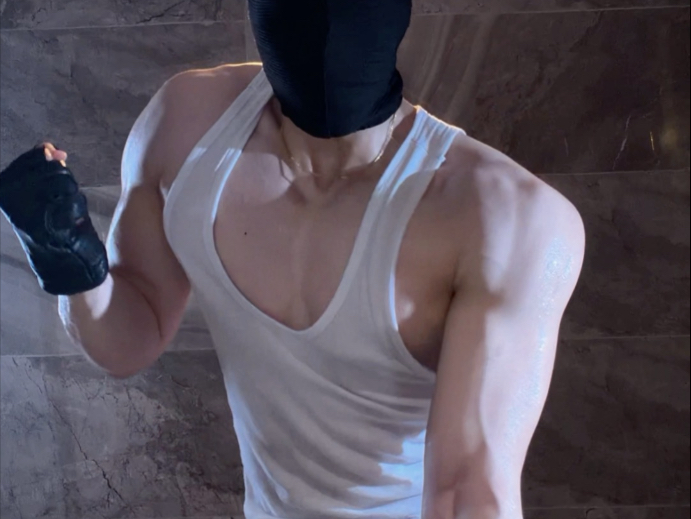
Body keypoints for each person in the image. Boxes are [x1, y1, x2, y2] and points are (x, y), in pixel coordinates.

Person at [0, 0, 586, 518]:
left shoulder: (508, 219)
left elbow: (468, 495)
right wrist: (69, 260)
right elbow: (130, 338)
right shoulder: (186, 124)